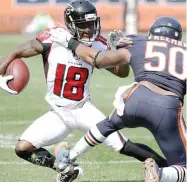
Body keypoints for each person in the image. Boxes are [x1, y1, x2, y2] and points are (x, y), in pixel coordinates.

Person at [0, 1, 168, 181]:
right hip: (57, 113)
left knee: (124, 146)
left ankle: (171, 170)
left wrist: (119, 52)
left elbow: (121, 73)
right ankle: (66, 170)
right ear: (71, 25)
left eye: (91, 24)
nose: (89, 30)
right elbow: (20, 50)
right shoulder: (53, 38)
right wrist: (3, 66)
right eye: (83, 25)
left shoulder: (98, 44)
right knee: (22, 148)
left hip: (83, 109)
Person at [51, 16, 187, 182]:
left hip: (135, 98)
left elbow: (99, 60)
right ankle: (160, 174)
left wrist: (71, 42)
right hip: (168, 107)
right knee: (183, 166)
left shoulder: (136, 41)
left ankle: (69, 157)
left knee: (107, 125)